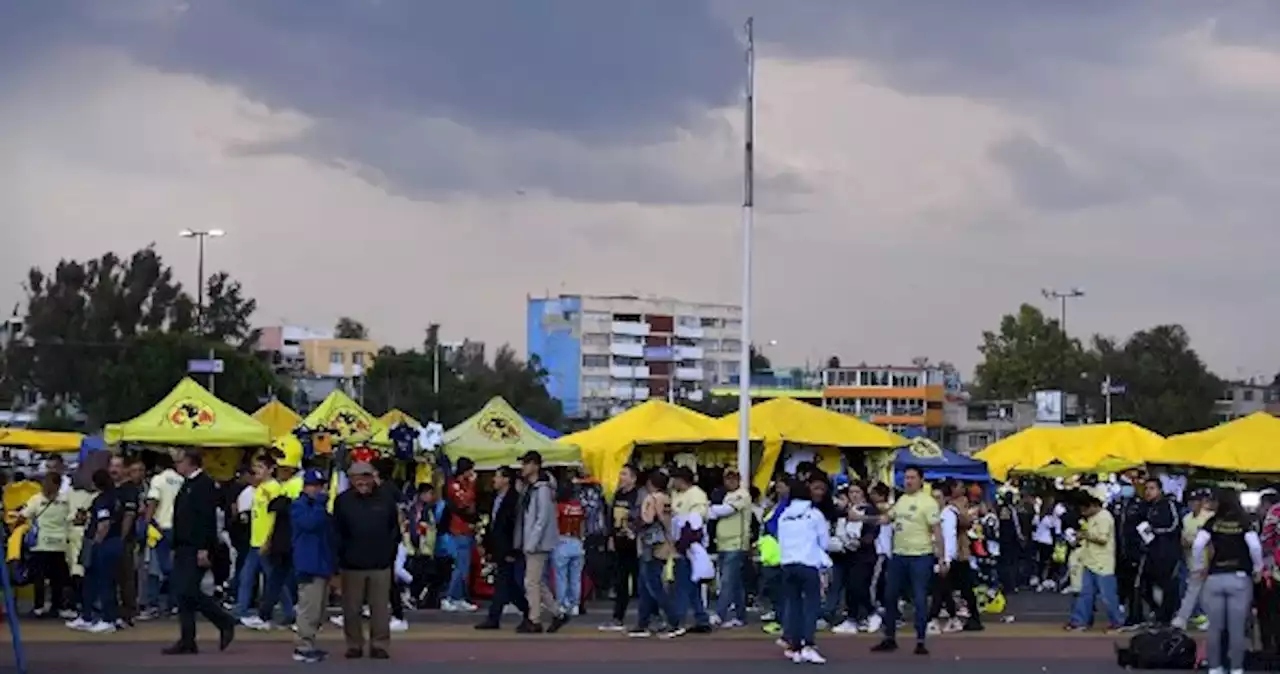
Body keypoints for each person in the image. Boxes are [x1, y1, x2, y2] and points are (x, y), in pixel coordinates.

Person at [163, 449, 236, 655]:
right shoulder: (187, 484)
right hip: (183, 545)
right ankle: (187, 639)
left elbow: (206, 519)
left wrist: (204, 548)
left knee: (188, 590)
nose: (177, 465)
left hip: (196, 546)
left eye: (180, 461)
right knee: (182, 594)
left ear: (190, 462)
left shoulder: (203, 485)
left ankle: (223, 620)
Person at [332, 461, 398, 660]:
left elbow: (393, 529)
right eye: (358, 477)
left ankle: (380, 645)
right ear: (351, 480)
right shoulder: (342, 501)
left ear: (373, 477)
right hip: (351, 565)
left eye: (366, 476)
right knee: (351, 610)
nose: (363, 481)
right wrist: (339, 560)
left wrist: (389, 555)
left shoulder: (386, 499)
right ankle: (354, 645)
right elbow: (336, 532)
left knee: (380, 609)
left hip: (380, 564)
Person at [872, 466, 941, 656]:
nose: (908, 481)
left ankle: (920, 640)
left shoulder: (928, 503)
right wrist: (864, 517)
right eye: (906, 478)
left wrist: (942, 557)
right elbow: (887, 519)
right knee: (890, 596)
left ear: (921, 480)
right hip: (899, 555)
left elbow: (937, 530)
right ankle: (890, 637)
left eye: (912, 478)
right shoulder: (901, 500)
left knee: (919, 598)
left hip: (921, 555)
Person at [1192, 489, 1263, 674]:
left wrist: (1199, 566)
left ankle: (1215, 667)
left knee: (1215, 628)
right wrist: (1258, 568)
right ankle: (1236, 668)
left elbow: (1198, 544)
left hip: (1215, 578)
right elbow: (1255, 547)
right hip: (1239, 578)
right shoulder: (1244, 522)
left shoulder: (1213, 522)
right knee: (1236, 628)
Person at [777, 478, 831, 664]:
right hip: (808, 563)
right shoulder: (814, 514)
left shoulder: (784, 515)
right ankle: (808, 644)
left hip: (788, 563)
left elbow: (780, 538)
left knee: (793, 606)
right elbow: (824, 542)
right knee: (811, 605)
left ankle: (794, 646)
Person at [514, 451, 567, 633]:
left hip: (538, 541)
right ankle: (557, 613)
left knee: (531, 581)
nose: (523, 468)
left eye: (526, 464)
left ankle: (534, 619)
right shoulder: (532, 487)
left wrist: (532, 541)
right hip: (533, 539)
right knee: (536, 580)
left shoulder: (542, 489)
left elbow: (542, 518)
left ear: (535, 465)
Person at [476, 466, 530, 630]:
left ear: (506, 479)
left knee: (504, 583)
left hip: (508, 547)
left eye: (498, 477)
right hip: (498, 546)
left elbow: (513, 526)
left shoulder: (514, 499)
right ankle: (528, 611)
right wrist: (487, 544)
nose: (494, 480)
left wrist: (512, 549)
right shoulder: (496, 498)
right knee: (508, 585)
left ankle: (495, 618)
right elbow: (492, 524)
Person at [291, 468, 335, 664]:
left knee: (318, 609)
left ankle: (309, 643)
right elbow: (309, 524)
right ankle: (303, 645)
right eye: (313, 486)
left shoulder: (319, 507)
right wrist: (319, 504)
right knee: (308, 607)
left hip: (322, 562)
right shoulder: (299, 506)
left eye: (319, 486)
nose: (317, 490)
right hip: (308, 563)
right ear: (305, 486)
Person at [1065, 488, 1124, 631]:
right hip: (1089, 561)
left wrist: (1085, 535)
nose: (1083, 513)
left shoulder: (1105, 517)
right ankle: (1080, 621)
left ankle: (1117, 622)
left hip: (1103, 564)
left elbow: (1103, 539)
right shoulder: (1091, 518)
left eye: (1084, 509)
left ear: (1093, 506)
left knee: (1108, 596)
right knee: (1085, 594)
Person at [628, 470, 677, 638]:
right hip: (665, 544)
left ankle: (672, 620)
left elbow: (647, 519)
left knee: (652, 585)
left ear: (651, 483)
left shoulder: (651, 498)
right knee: (647, 584)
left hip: (650, 546)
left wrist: (633, 525)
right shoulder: (667, 499)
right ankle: (644, 622)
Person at [19, 472, 72, 618]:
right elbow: (71, 518)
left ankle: (39, 606)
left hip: (41, 544)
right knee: (58, 579)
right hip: (59, 544)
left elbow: (23, 515)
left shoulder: (36, 499)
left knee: (39, 578)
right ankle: (58, 605)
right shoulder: (66, 500)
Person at [668, 466, 711, 636]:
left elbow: (696, 522)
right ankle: (701, 618)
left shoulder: (696, 494)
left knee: (682, 584)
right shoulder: (677, 495)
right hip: (679, 543)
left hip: (690, 546)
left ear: (682, 479)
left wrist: (684, 542)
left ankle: (678, 620)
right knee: (691, 585)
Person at [599, 463, 643, 632]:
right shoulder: (617, 494)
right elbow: (610, 517)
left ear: (633, 478)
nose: (621, 477)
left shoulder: (638, 495)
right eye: (621, 474)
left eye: (625, 474)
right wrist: (610, 536)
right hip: (619, 543)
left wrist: (634, 532)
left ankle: (649, 616)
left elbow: (641, 517)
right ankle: (618, 617)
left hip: (634, 544)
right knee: (620, 582)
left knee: (641, 581)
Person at [142, 453, 185, 619]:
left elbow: (153, 501)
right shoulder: (181, 480)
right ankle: (173, 604)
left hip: (159, 528)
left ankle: (152, 605)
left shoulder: (158, 480)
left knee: (154, 567)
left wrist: (146, 522)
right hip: (177, 528)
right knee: (174, 567)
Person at [710, 467, 752, 629]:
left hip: (736, 543)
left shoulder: (742, 494)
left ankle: (720, 614)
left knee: (727, 581)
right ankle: (740, 616)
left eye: (734, 478)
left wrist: (710, 508)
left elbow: (726, 510)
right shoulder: (726, 495)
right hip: (723, 543)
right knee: (735, 583)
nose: (731, 481)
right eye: (728, 478)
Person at [1139, 477, 1182, 626]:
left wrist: (1155, 531)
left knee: (1167, 585)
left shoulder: (1168, 504)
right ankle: (1158, 612)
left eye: (1152, 488)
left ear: (1160, 490)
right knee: (1146, 586)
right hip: (1151, 552)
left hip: (1167, 552)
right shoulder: (1146, 507)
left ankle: (1166, 617)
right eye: (1146, 489)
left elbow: (1174, 525)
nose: (1148, 492)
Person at [1173, 488, 1215, 630]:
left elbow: (1211, 543)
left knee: (1202, 593)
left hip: (1206, 561)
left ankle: (1185, 618)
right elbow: (1184, 538)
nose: (1193, 504)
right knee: (1192, 591)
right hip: (1191, 560)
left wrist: (1209, 564)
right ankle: (1184, 618)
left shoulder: (1210, 517)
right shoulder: (1187, 518)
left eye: (1196, 501)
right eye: (1191, 501)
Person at [443, 457, 479, 612]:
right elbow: (464, 503)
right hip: (459, 529)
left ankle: (459, 597)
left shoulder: (462, 485)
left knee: (465, 566)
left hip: (467, 528)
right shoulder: (455, 485)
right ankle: (450, 597)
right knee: (461, 567)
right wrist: (472, 485)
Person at [110, 455, 142, 626]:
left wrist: (121, 538)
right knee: (113, 576)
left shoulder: (129, 489)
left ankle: (128, 612)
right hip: (110, 538)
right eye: (112, 466)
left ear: (125, 469)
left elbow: (129, 515)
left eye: (117, 466)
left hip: (124, 540)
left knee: (126, 576)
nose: (113, 470)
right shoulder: (111, 488)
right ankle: (115, 610)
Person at [552, 481, 586, 616]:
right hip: (577, 541)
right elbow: (583, 525)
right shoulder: (578, 507)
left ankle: (562, 604)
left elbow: (554, 525)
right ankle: (575, 605)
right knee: (576, 577)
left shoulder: (558, 507)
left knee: (561, 577)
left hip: (562, 541)